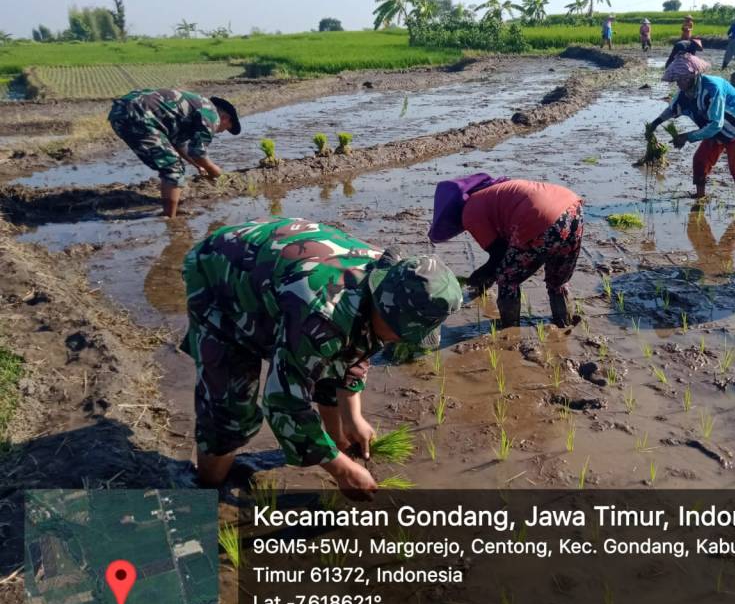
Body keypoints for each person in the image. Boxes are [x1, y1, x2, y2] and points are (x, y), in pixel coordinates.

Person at [181, 217, 462, 496]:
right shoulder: (323, 314)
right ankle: (209, 490)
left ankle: (335, 439)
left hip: (276, 268)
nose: (399, 339)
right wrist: (341, 469)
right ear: (385, 308)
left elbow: (355, 347)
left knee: (320, 354)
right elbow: (283, 404)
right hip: (218, 273)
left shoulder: (392, 280)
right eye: (401, 330)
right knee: (230, 410)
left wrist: (352, 417)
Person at [428, 174, 583, 329]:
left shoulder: (470, 211)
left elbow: (499, 253)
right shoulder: (494, 193)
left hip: (540, 216)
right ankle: (565, 324)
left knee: (508, 279)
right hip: (572, 207)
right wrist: (488, 277)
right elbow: (505, 252)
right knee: (558, 280)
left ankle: (510, 331)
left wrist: (478, 277)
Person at [108, 89, 240, 218]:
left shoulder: (198, 107)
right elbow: (198, 153)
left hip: (121, 111)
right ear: (225, 118)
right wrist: (214, 170)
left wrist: (198, 166)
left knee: (171, 163)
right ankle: (170, 219)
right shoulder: (212, 116)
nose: (221, 131)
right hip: (138, 113)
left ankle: (170, 211)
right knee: (173, 169)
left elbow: (178, 144)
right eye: (226, 128)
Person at [646, 58, 735, 204]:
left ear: (692, 77)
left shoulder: (712, 88)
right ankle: (700, 196)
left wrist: (687, 137)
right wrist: (655, 123)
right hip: (713, 129)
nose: (678, 83)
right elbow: (672, 109)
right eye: (677, 80)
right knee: (700, 160)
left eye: (681, 79)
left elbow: (716, 124)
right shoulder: (684, 93)